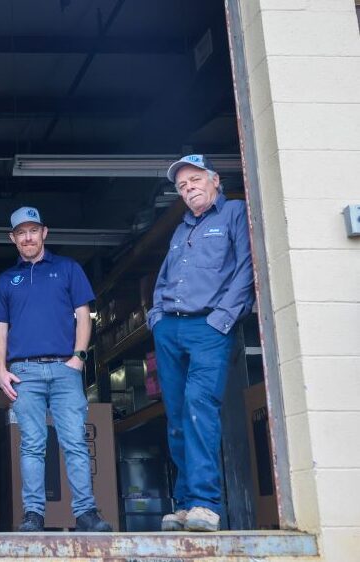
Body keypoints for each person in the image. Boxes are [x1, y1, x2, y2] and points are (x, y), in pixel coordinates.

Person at [0, 206, 113, 533]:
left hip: (64, 369)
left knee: (74, 442)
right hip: (24, 373)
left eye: (33, 230)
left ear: (44, 232)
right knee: (32, 444)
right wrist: (0, 370)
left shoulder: (68, 269)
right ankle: (33, 515)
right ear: (13, 238)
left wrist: (79, 358)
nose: (28, 237)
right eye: (21, 232)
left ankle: (86, 514)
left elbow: (83, 315)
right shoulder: (5, 280)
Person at [148, 154, 254, 532]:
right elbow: (165, 277)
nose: (188, 188)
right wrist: (156, 314)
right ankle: (186, 502)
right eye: (181, 186)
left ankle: (206, 504)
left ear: (214, 181)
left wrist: (222, 318)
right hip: (170, 329)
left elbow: (247, 267)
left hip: (208, 328)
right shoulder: (181, 230)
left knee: (199, 408)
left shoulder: (234, 214)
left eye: (194, 180)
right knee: (176, 417)